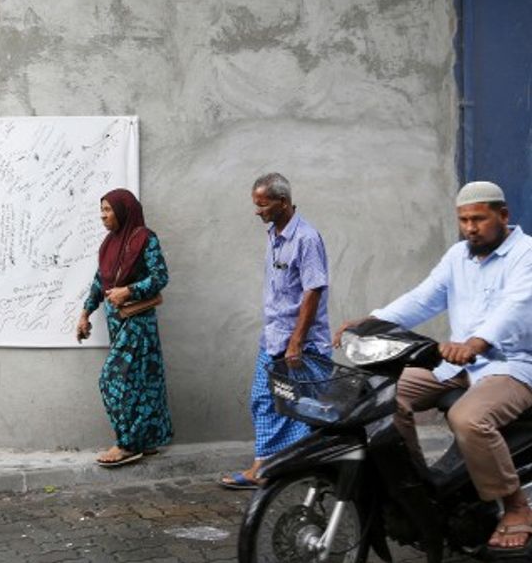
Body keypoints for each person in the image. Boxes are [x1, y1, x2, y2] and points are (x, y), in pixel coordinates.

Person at [334, 181, 532, 551]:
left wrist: (476, 342)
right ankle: (414, 490)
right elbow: (423, 298)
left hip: (513, 366)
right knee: (380, 395)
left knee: (469, 419)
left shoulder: (527, 254)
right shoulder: (459, 256)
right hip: (457, 366)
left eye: (479, 219)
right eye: (463, 220)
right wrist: (372, 321)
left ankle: (516, 505)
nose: (470, 228)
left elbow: (517, 307)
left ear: (503, 215)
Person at [220, 172, 331, 489]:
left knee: (303, 408)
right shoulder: (274, 233)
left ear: (283, 202)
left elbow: (313, 291)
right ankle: (266, 465)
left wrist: (296, 341)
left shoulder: (306, 238)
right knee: (263, 400)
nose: (258, 211)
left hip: (300, 345)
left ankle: (288, 470)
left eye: (263, 204)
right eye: (256, 204)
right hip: (273, 339)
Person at [76, 188, 173, 467]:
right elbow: (100, 282)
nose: (103, 216)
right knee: (141, 383)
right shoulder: (109, 244)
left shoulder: (144, 239)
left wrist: (128, 291)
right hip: (118, 324)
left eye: (108, 210)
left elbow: (160, 277)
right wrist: (85, 313)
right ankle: (147, 440)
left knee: (112, 380)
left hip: (138, 324)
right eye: (102, 210)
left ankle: (128, 444)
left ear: (123, 210)